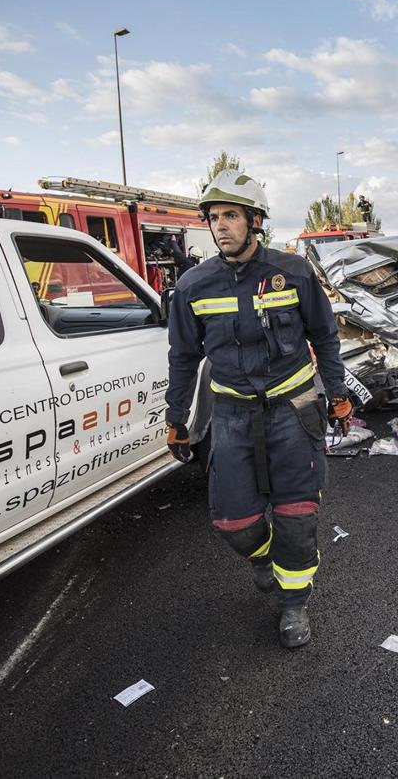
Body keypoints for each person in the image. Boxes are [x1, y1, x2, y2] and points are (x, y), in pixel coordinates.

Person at [164, 169, 353, 649]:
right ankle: (262, 560)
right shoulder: (193, 286)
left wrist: (337, 392)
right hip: (230, 414)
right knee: (234, 520)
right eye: (213, 217)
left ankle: (293, 603)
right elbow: (184, 358)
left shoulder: (292, 272)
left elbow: (325, 337)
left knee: (296, 514)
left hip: (294, 408)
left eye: (231, 215)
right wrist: (176, 418)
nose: (220, 225)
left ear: (255, 220)